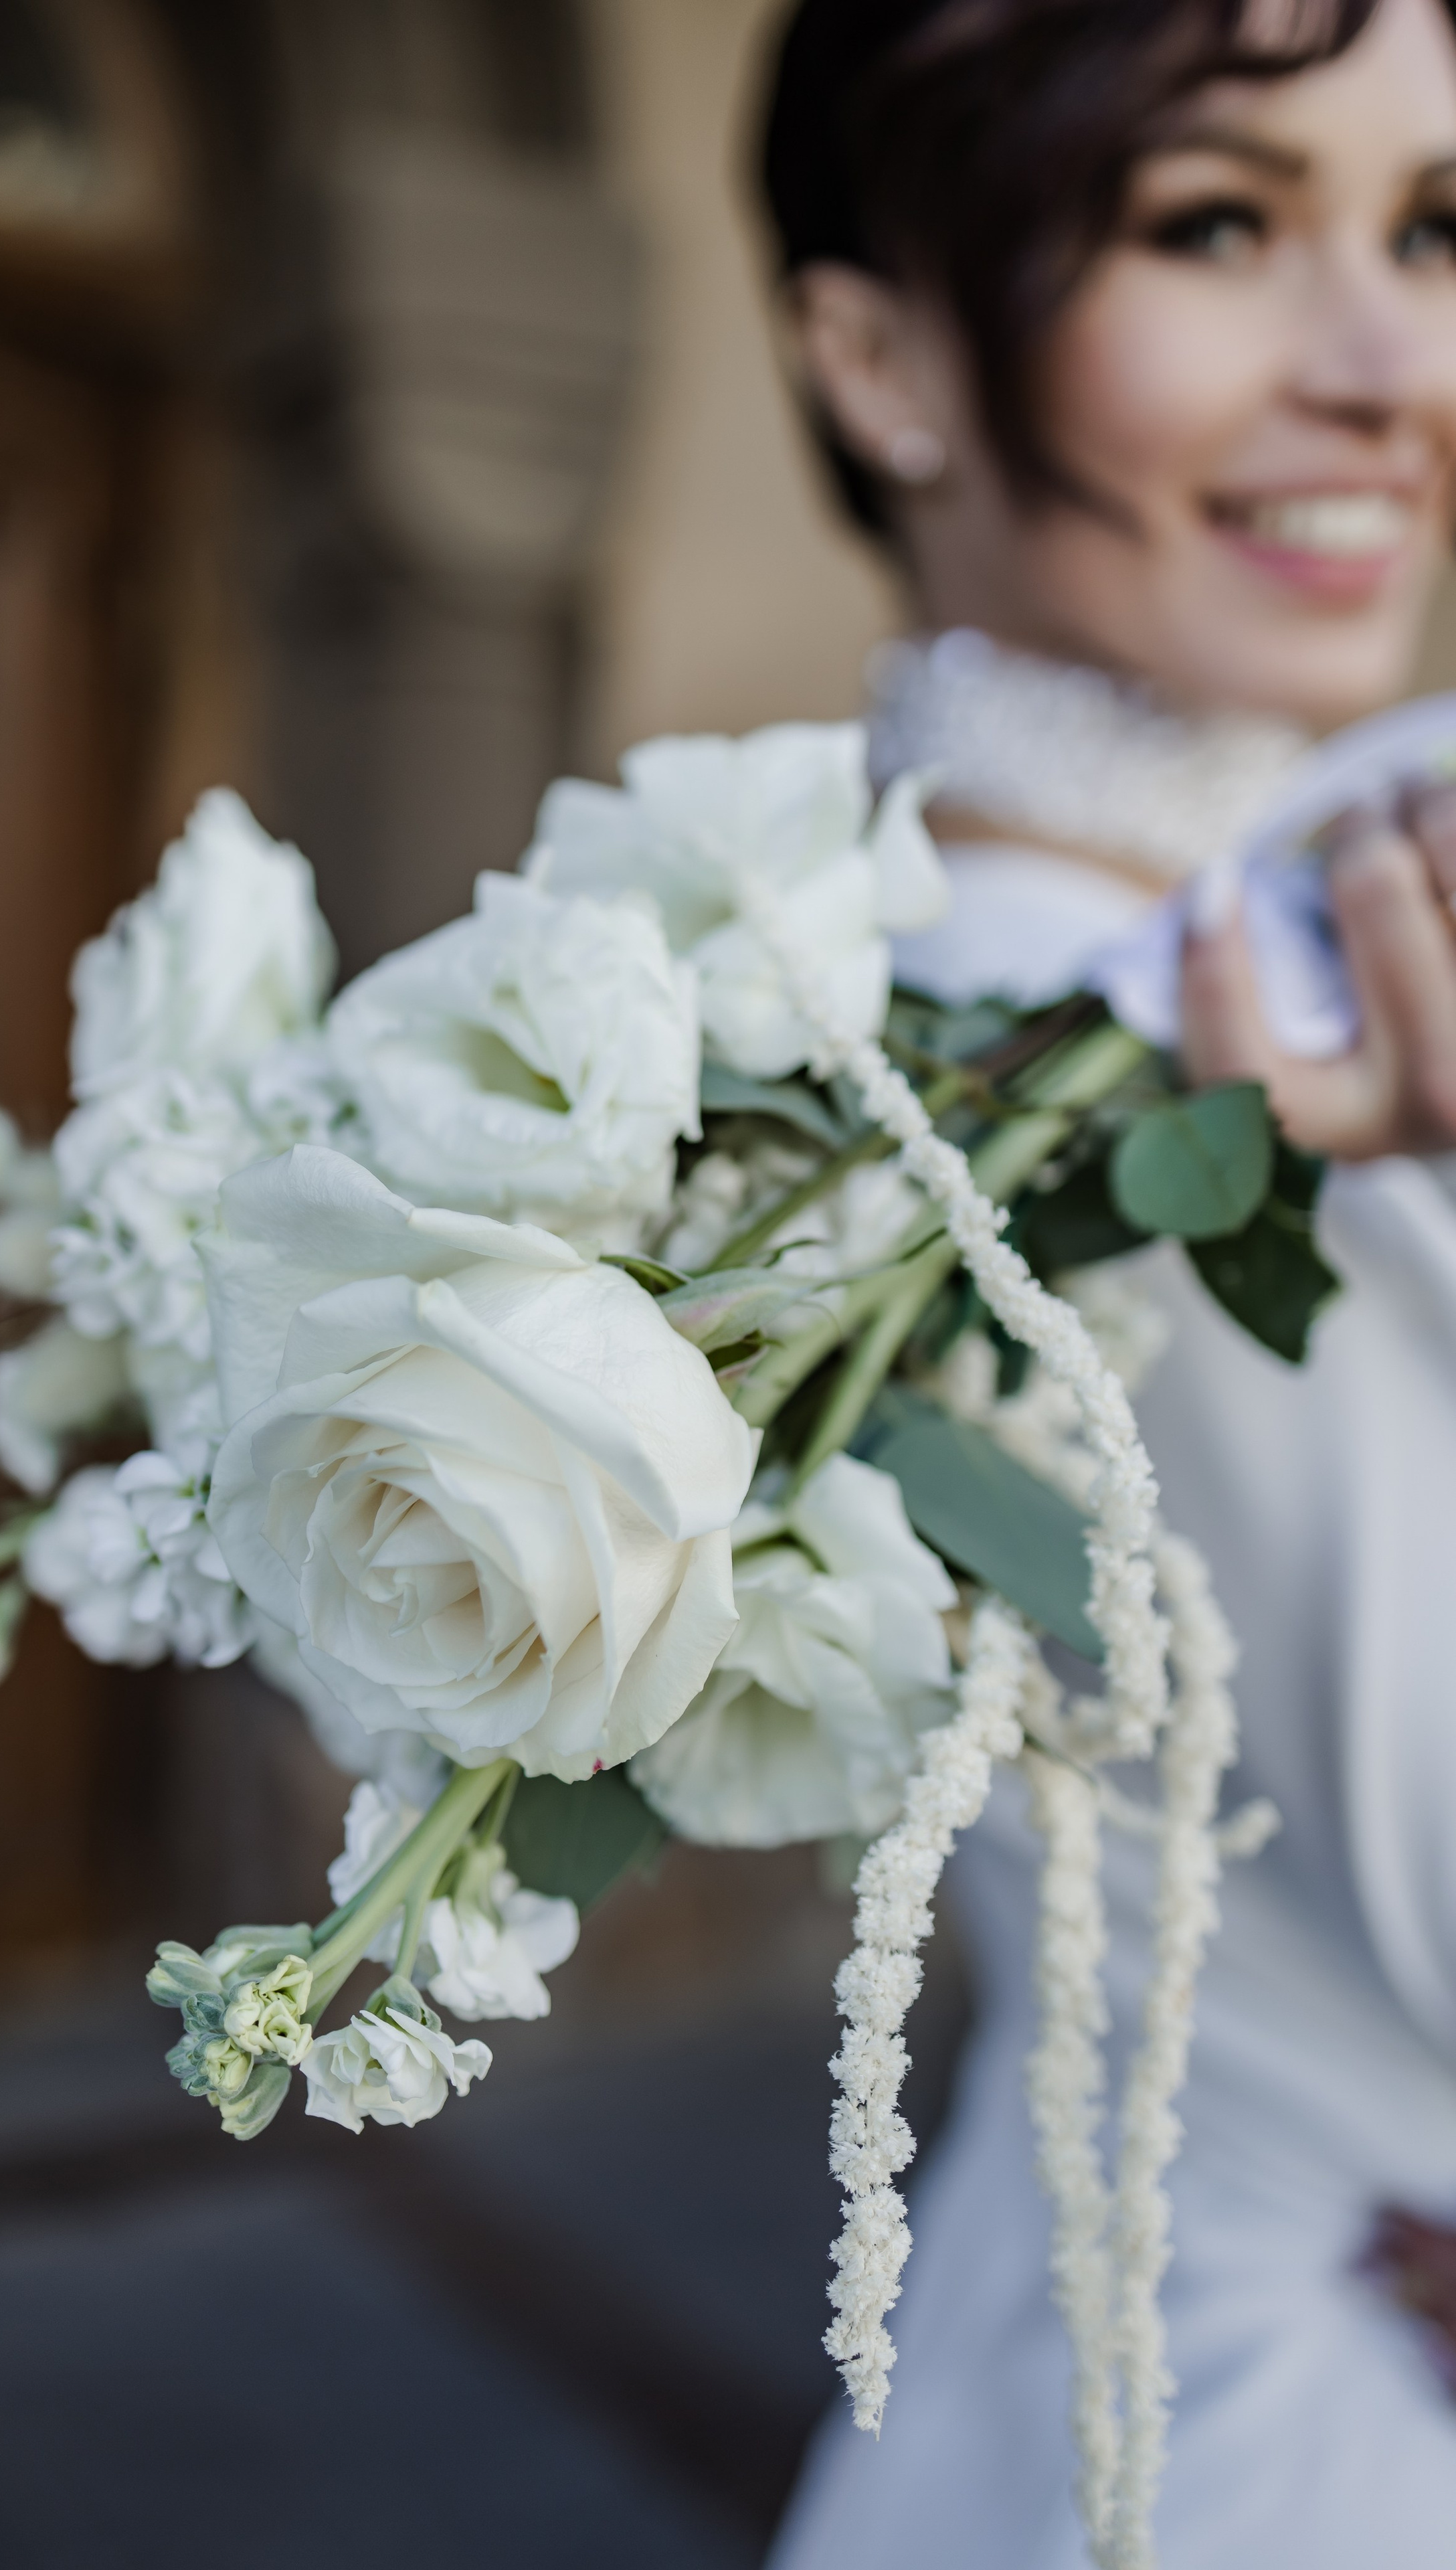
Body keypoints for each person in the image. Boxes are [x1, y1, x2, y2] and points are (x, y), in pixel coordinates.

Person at [756, 2, 1456, 2562]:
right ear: (877, 356)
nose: (1397, 368)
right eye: (1219, 223)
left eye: (1434, 229)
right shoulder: (1065, 1060)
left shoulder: (792, 1004)